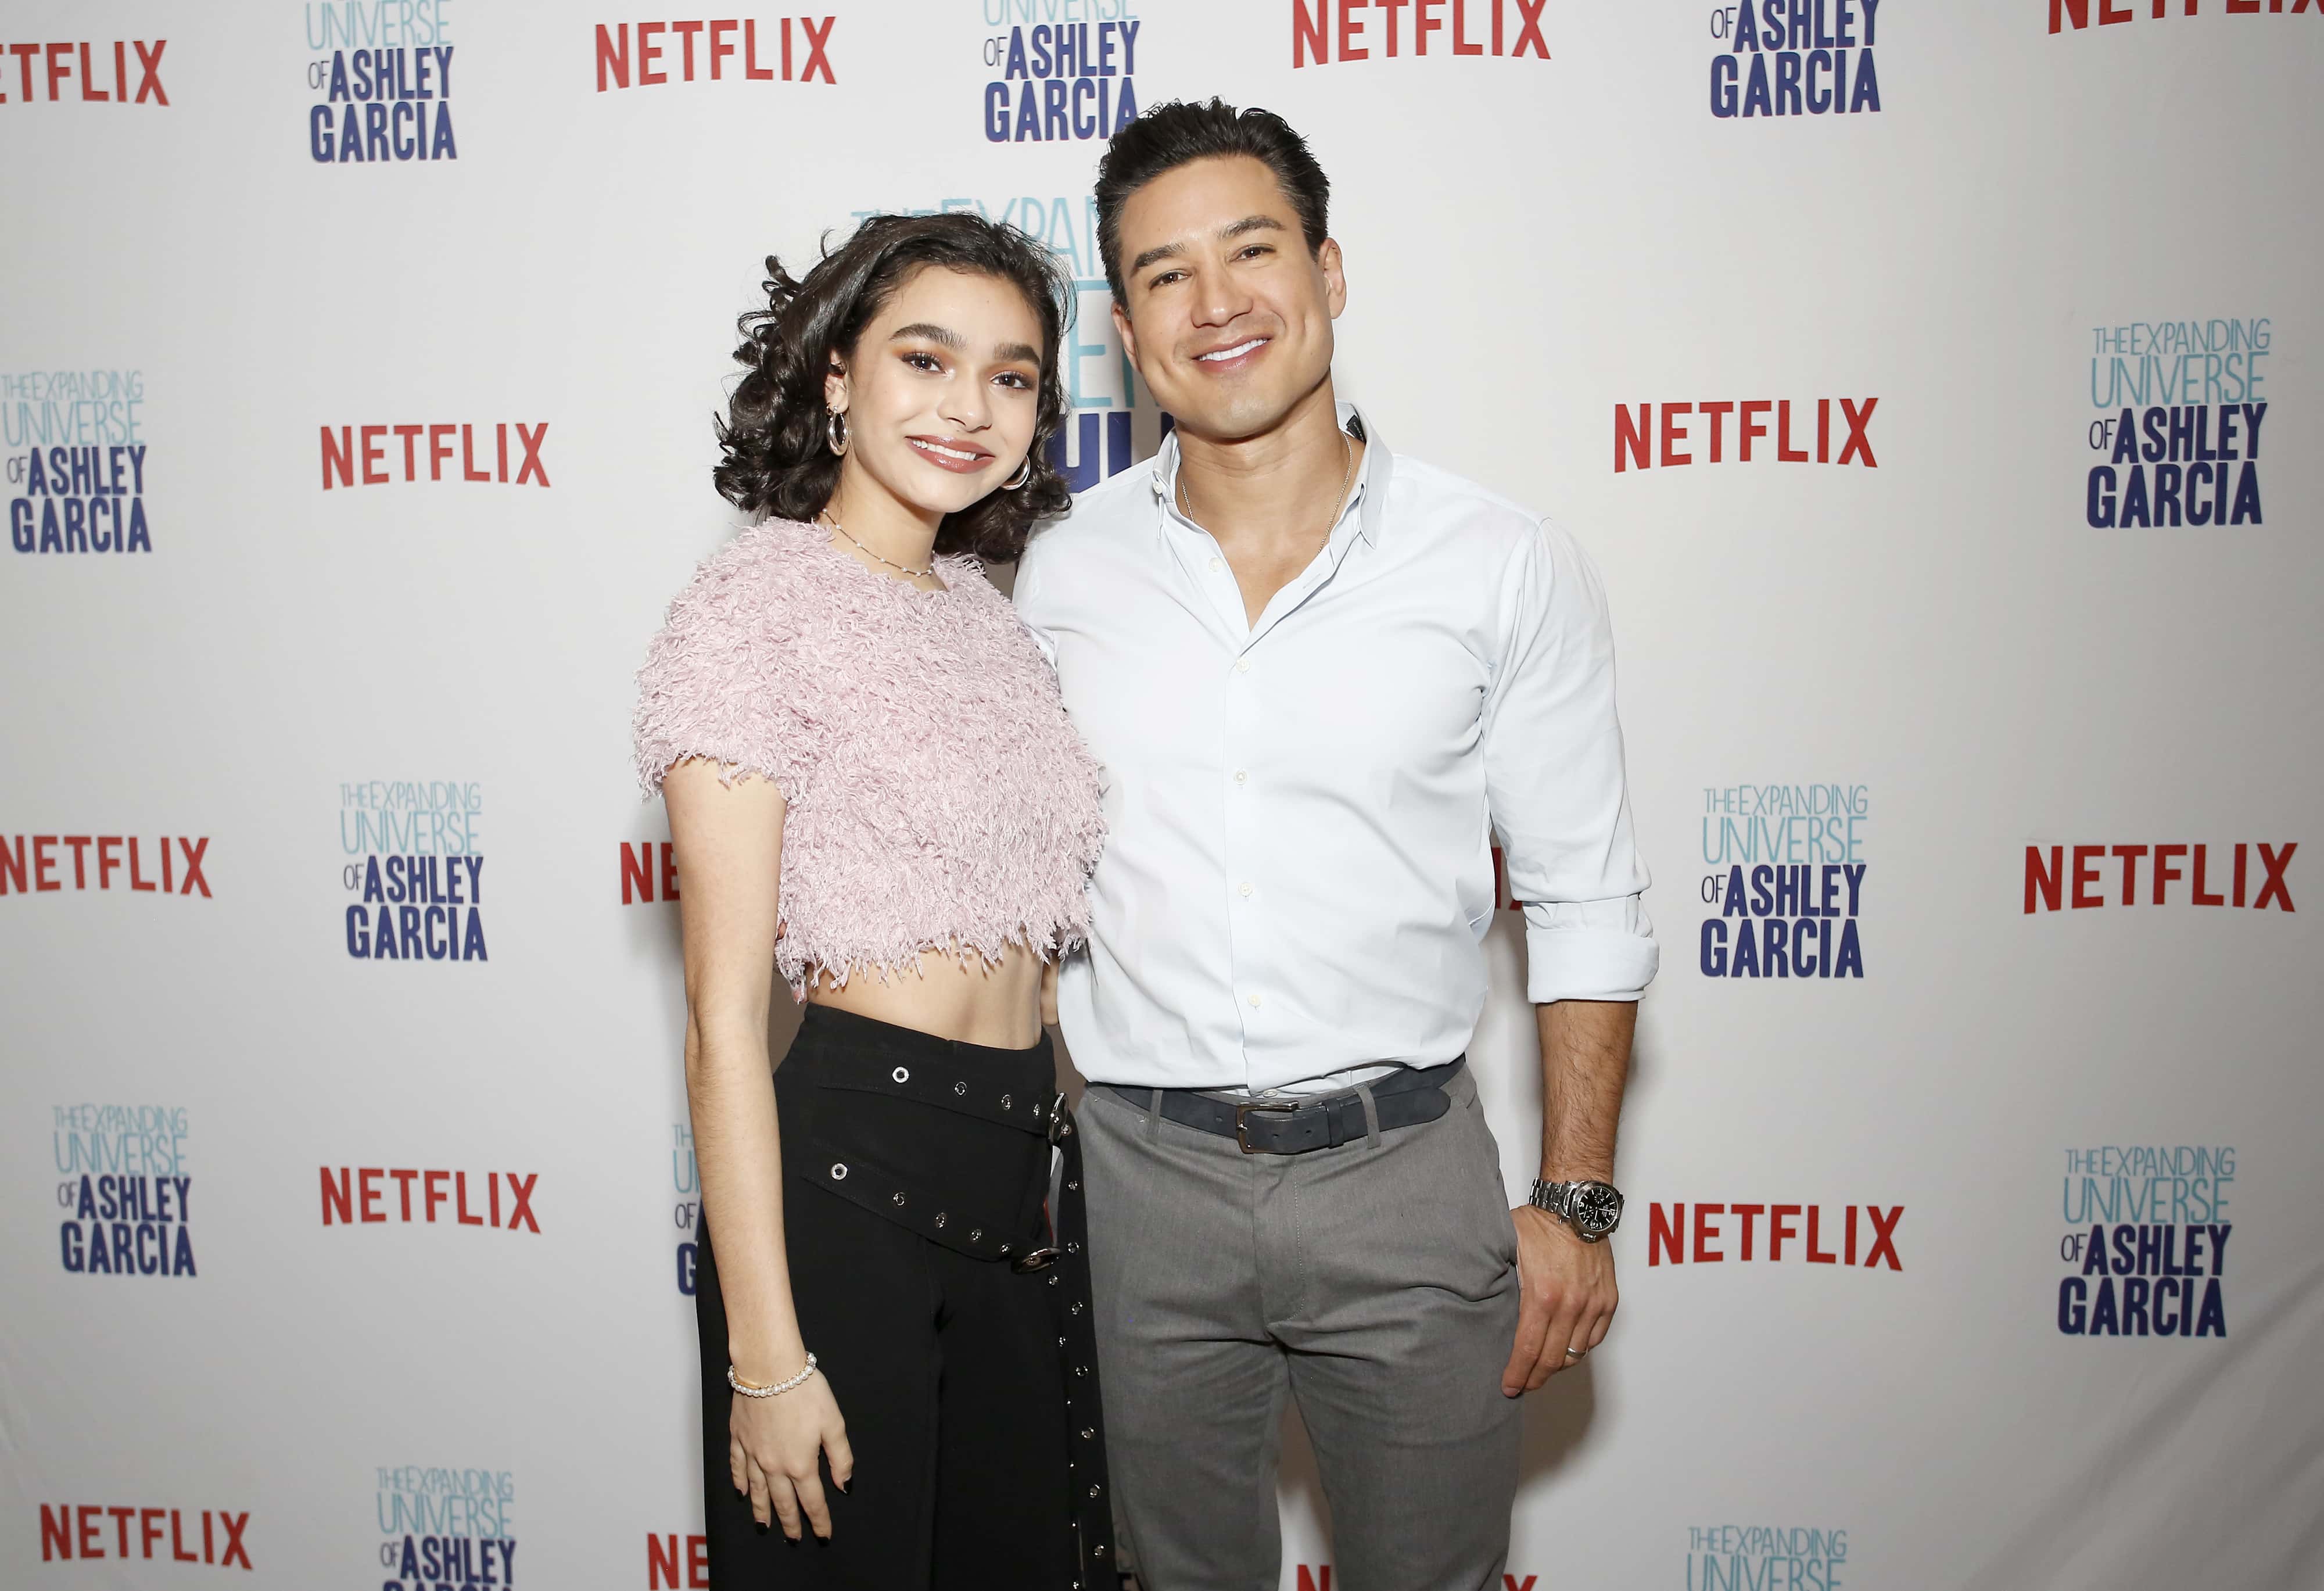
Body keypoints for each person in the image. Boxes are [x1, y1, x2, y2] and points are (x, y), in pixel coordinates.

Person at [1012, 101, 1659, 1590]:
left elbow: (1583, 895)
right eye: (1164, 274)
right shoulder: (1060, 572)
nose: (1214, 302)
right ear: (1126, 330)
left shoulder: (1500, 563)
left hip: (1404, 1180)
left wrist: (1573, 1199)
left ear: (1329, 270)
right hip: (1139, 1184)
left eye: (1250, 250)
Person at [633, 212, 1114, 1590]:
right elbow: (723, 1024)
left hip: (1024, 1193)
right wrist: (765, 1356)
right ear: (838, 375)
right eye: (924, 358)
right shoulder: (751, 608)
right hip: (850, 1187)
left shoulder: (993, 618)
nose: (968, 407)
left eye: (1011, 376)